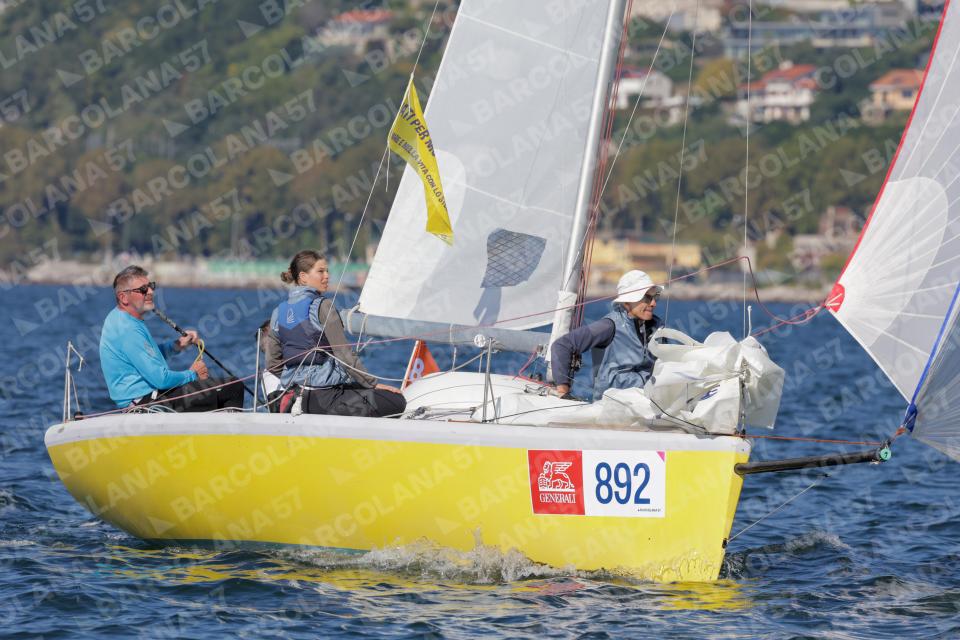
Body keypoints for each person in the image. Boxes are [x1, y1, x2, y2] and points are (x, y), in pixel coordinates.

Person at [265, 250, 406, 417]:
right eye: (320, 271)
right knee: (397, 401)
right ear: (303, 277)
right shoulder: (323, 306)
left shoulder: (277, 312)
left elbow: (272, 364)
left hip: (297, 397)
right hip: (325, 399)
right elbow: (343, 353)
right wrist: (372, 384)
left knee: (358, 388)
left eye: (327, 271)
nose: (327, 276)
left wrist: (295, 379)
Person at [99, 265, 244, 411]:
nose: (150, 292)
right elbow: (161, 380)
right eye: (143, 289)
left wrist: (177, 346)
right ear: (123, 297)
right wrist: (193, 374)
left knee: (221, 387)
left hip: (149, 397)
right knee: (232, 387)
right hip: (148, 403)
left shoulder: (120, 318)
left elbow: (147, 357)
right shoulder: (127, 329)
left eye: (151, 286)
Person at [550, 269, 664, 401]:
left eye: (655, 297)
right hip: (611, 405)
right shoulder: (608, 326)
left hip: (647, 401)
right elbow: (562, 345)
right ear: (627, 302)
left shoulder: (657, 328)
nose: (653, 303)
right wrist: (563, 391)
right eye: (647, 298)